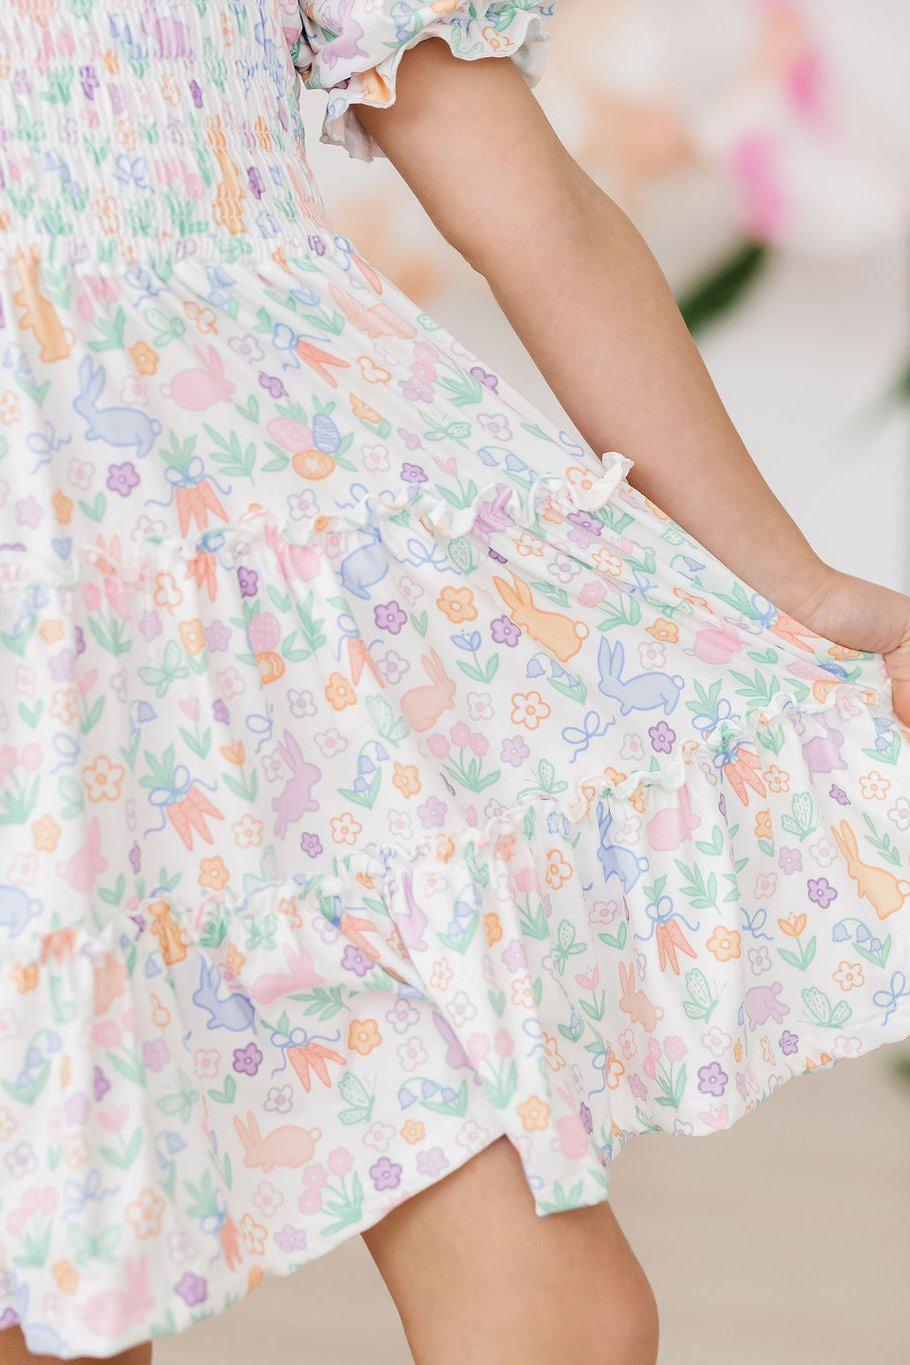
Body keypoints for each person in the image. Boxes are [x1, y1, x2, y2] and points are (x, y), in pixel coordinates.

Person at [1, 4, 908, 1362]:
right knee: (69, 1308)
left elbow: (530, 206)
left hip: (295, 598)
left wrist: (798, 587)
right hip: (44, 623)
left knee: (563, 1317)